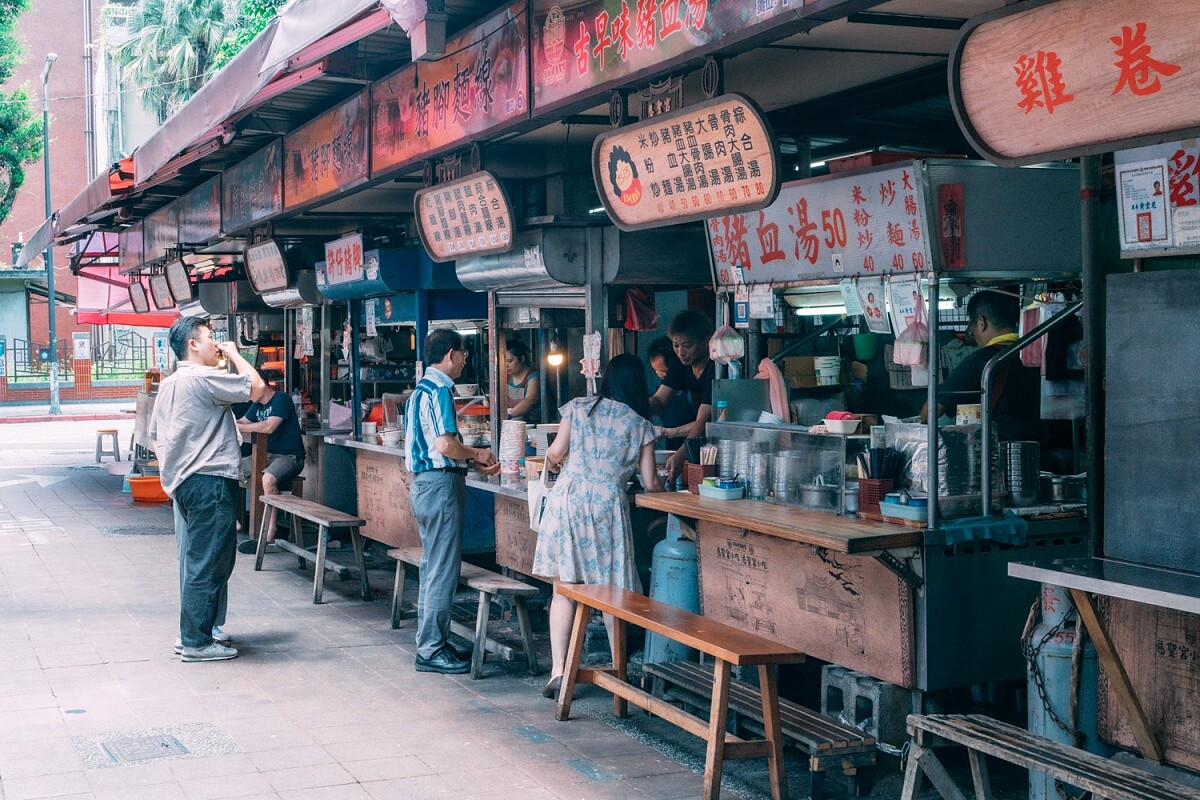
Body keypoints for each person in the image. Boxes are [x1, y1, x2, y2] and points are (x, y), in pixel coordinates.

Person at [532, 354, 664, 699]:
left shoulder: (577, 407)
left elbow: (557, 452)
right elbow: (651, 482)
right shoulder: (639, 423)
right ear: (638, 385)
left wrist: (559, 463)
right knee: (610, 592)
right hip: (607, 505)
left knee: (564, 589)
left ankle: (559, 672)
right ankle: (618, 672)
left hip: (568, 499)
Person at [151, 317, 267, 662]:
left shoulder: (170, 384)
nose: (215, 343)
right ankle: (196, 642)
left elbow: (156, 437)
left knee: (199, 560)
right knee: (208, 563)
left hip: (186, 483)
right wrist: (234, 354)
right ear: (192, 344)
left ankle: (196, 633)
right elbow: (257, 387)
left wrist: (171, 476)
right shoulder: (202, 378)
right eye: (210, 337)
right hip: (210, 481)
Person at [404, 329, 500, 674]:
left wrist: (471, 460)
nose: (464, 359)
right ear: (449, 354)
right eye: (462, 353)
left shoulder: (420, 391)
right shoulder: (441, 389)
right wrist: (477, 452)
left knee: (434, 566)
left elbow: (440, 446)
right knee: (442, 568)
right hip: (439, 486)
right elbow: (445, 446)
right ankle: (431, 649)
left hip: (427, 484)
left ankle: (433, 643)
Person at [920, 290, 1044, 443]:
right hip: (1045, 453)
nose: (972, 332)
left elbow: (929, 413)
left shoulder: (979, 362)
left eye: (971, 327)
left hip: (999, 457)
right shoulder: (1036, 356)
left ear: (981, 322)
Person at [235, 382, 307, 553]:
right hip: (265, 455)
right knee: (231, 470)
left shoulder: (281, 399)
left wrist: (239, 427)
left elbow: (269, 426)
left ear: (261, 385)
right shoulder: (257, 405)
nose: (247, 394)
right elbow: (242, 420)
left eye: (249, 389)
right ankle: (232, 519)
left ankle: (269, 534)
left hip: (290, 457)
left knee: (268, 478)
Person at [648, 311, 716, 483]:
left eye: (687, 345)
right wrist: (631, 406)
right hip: (698, 443)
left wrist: (680, 454)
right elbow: (659, 400)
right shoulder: (681, 365)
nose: (680, 352)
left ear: (706, 341)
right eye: (676, 345)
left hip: (717, 446)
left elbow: (703, 421)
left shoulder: (715, 368)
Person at [647, 336, 694, 451]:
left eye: (663, 371)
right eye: (655, 370)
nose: (659, 374)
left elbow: (702, 423)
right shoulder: (658, 383)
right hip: (671, 440)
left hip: (693, 439)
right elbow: (656, 402)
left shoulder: (690, 388)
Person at [503, 340, 541, 423]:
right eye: (504, 361)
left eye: (510, 361)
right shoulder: (505, 377)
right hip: (514, 422)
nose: (506, 365)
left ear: (522, 359)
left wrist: (510, 414)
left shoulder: (533, 377)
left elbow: (530, 400)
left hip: (534, 423)